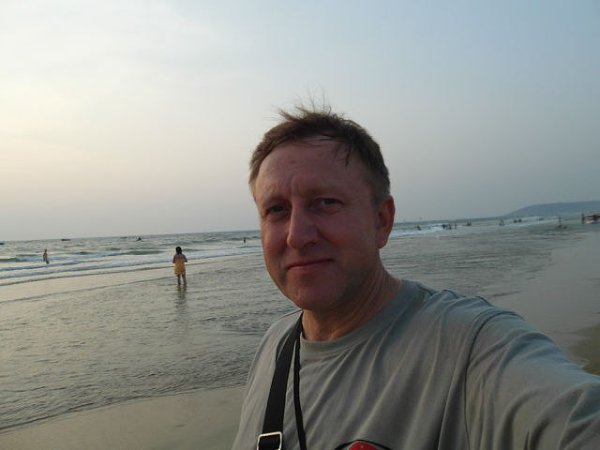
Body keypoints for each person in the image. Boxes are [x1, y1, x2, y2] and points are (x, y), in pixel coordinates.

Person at [232, 106, 600, 450]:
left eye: (326, 202)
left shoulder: (471, 347)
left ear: (382, 220)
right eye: (276, 210)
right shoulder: (274, 347)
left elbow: (574, 418)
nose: (297, 236)